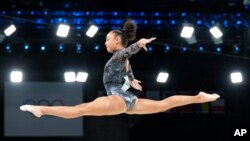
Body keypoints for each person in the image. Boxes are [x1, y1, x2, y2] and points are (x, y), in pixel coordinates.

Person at [20, 20, 220, 118]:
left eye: (108, 39)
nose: (105, 42)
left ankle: (40, 109)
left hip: (118, 98)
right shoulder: (120, 59)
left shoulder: (118, 54)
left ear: (117, 39)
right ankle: (198, 98)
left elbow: (126, 53)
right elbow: (127, 66)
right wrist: (131, 79)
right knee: (164, 104)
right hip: (129, 100)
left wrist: (138, 44)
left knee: (79, 110)